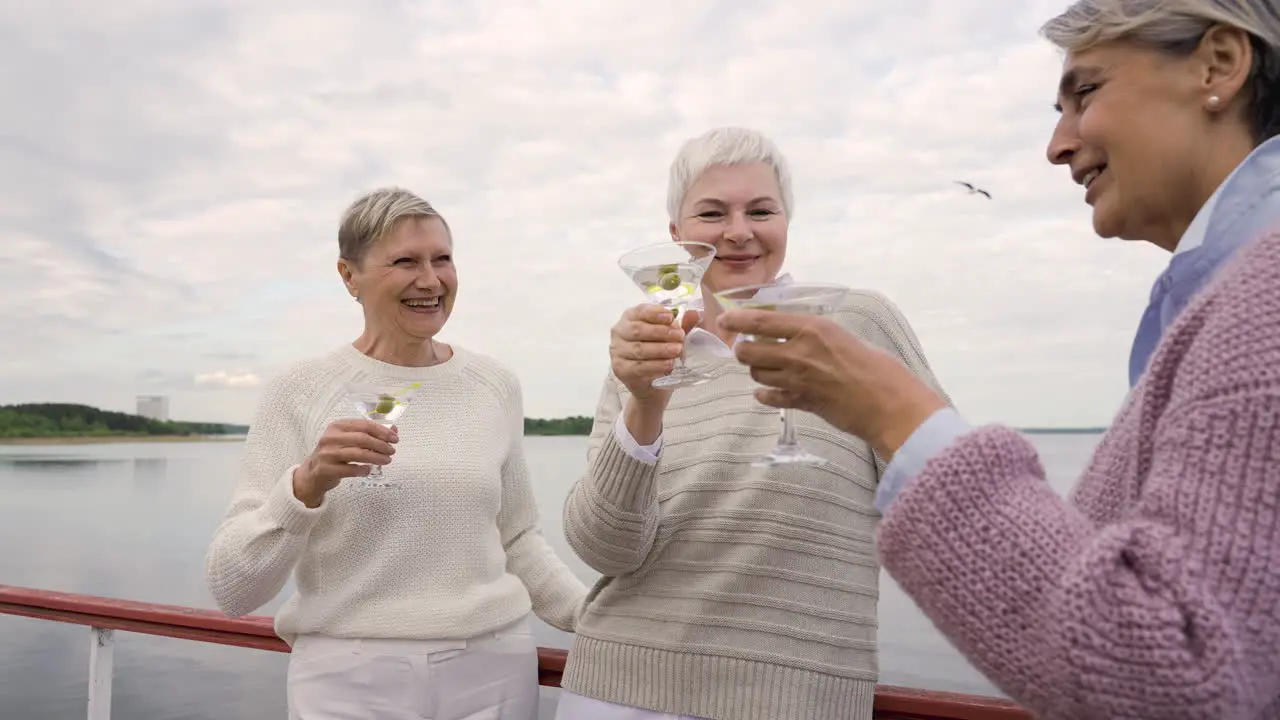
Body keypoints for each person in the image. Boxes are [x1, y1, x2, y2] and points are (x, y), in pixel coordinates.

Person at [718, 2, 1280, 718]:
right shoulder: (1225, 292)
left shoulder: (1265, 288)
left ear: (1219, 64)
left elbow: (1177, 682)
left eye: (1087, 92)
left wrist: (900, 419)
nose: (1056, 144)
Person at [555, 127, 951, 720]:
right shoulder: (638, 360)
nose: (739, 230)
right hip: (617, 689)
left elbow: (946, 494)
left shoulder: (855, 322)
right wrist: (643, 400)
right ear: (676, 237)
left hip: (797, 702)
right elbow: (606, 550)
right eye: (713, 213)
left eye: (760, 210)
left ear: (786, 221)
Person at [204, 187, 588, 720]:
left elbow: (518, 537)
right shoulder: (299, 388)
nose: (430, 281)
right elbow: (233, 587)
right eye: (404, 261)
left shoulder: (494, 384)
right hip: (348, 679)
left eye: (442, 259)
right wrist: (306, 484)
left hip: (493, 670)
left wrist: (594, 616)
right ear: (348, 276)